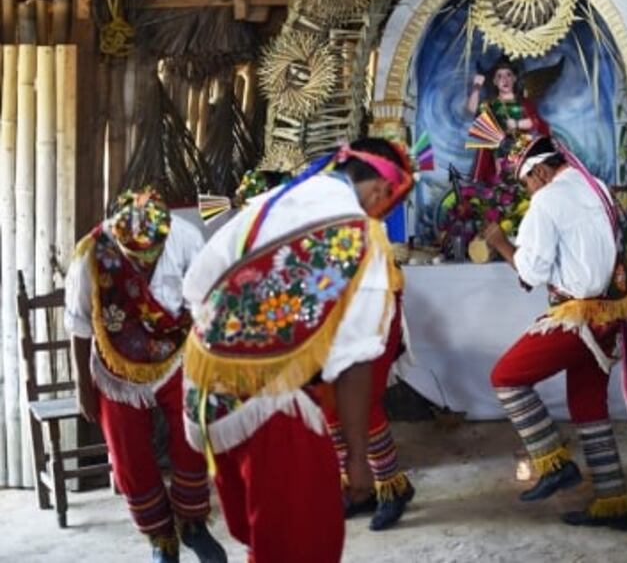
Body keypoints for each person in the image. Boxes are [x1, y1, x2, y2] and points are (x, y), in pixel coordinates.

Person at [181, 138, 413, 562]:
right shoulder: (360, 236)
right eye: (390, 201)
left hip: (205, 390)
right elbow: (356, 358)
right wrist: (358, 460)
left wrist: (245, 334)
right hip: (271, 402)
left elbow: (197, 282)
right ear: (381, 189)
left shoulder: (275, 199)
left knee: (264, 530)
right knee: (305, 541)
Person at [481, 136, 627, 531]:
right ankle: (614, 502)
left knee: (505, 378)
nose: (529, 191)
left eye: (527, 183)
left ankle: (553, 462)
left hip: (579, 317)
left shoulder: (548, 199)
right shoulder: (598, 187)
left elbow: (532, 272)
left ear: (539, 171)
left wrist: (501, 244)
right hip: (612, 314)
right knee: (588, 404)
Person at [64, 187, 226, 563]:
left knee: (192, 432)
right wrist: (82, 387)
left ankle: (192, 523)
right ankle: (160, 537)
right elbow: (78, 325)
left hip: (176, 352)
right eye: (135, 257)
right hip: (115, 365)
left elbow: (205, 301)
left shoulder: (185, 238)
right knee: (127, 456)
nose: (145, 263)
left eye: (151, 254)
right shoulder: (92, 254)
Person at [323, 278, 415, 532]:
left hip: (371, 301)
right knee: (328, 401)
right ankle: (359, 490)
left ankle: (391, 487)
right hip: (326, 309)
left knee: (363, 401)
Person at [466, 58, 550, 183]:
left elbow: (535, 122)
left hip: (521, 146)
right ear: (494, 82)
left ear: (514, 79)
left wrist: (516, 124)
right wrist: (477, 87)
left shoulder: (523, 102)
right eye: (499, 76)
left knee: (522, 176)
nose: (504, 79)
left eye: (508, 75)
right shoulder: (490, 104)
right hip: (498, 150)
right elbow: (471, 110)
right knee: (502, 178)